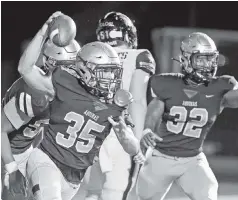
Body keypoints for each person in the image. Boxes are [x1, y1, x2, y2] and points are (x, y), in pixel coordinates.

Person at [18, 11, 143, 200]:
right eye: (104, 72)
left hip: (74, 179)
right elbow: (25, 69)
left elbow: (134, 149)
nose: (111, 79)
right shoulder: (64, 80)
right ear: (85, 70)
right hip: (46, 161)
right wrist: (43, 32)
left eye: (112, 73)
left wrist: (123, 131)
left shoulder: (114, 102)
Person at [137, 32, 238, 200]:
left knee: (208, 194)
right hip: (160, 157)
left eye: (210, 59)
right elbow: (154, 111)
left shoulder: (219, 87)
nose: (207, 65)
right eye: (201, 59)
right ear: (186, 60)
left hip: (192, 160)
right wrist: (147, 129)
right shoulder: (167, 84)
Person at [72, 11, 156, 200]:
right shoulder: (139, 56)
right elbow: (138, 101)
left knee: (92, 193)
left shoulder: (87, 55)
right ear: (128, 34)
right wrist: (137, 139)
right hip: (120, 132)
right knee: (115, 195)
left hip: (88, 131)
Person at [1, 35, 80, 200]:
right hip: (8, 152)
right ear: (52, 64)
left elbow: (41, 128)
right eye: (70, 67)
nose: (75, 73)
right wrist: (12, 168)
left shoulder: (60, 90)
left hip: (23, 149)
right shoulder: (36, 93)